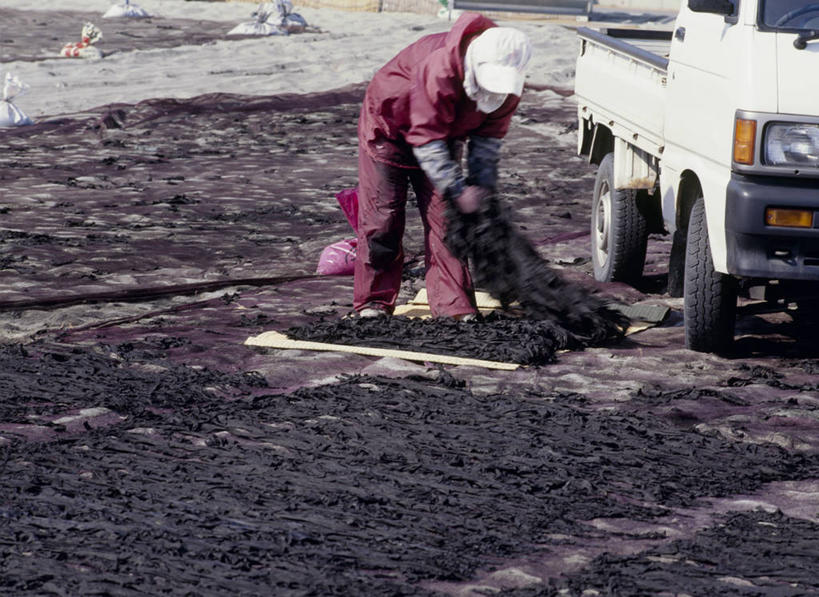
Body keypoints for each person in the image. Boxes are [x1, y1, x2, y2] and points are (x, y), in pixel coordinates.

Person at [353, 12, 532, 319]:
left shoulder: (508, 86)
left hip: (446, 135)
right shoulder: (437, 68)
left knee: (448, 222)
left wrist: (481, 185)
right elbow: (425, 136)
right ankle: (373, 302)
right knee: (382, 220)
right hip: (389, 130)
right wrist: (457, 188)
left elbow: (488, 139)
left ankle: (453, 306)